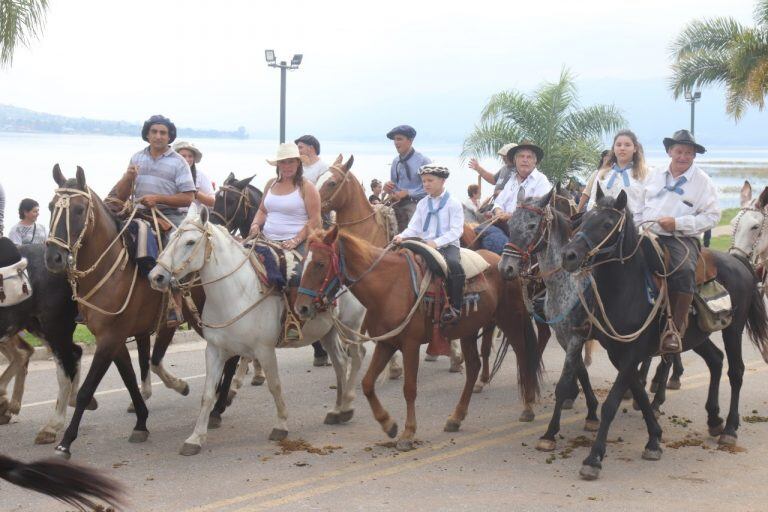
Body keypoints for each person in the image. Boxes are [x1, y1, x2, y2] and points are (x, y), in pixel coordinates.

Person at [638, 129, 719, 354]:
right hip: (645, 233)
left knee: (683, 271)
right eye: (679, 151)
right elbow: (637, 205)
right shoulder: (653, 174)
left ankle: (673, 329)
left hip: (680, 239)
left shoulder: (703, 182)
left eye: (688, 152)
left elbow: (712, 216)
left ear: (694, 155)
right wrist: (637, 227)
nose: (683, 156)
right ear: (669, 151)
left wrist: (678, 223)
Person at [248, 143, 322, 342]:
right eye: (283, 162)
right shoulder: (271, 183)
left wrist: (296, 239)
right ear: (278, 165)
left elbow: (315, 220)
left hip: (296, 241)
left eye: (291, 161)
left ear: (298, 163)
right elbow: (263, 209)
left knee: (295, 276)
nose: (287, 166)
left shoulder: (307, 187)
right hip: (267, 239)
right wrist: (256, 224)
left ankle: (293, 320)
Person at [393, 164, 465, 325]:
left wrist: (436, 242)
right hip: (425, 244)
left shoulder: (453, 203)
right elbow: (414, 228)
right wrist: (400, 236)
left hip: (447, 245)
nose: (426, 184)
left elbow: (456, 231)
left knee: (453, 265)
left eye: (430, 180)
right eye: (424, 181)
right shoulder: (423, 204)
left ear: (442, 181)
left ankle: (455, 306)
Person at [113, 115, 196, 229]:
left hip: (169, 215)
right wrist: (128, 178)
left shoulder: (179, 162)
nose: (158, 136)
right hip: (138, 213)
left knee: (176, 240)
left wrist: (157, 199)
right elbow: (121, 196)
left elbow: (188, 198)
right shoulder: (137, 158)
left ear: (169, 137)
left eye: (163, 133)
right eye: (154, 132)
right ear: (147, 135)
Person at [586, 130, 649, 220]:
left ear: (635, 148)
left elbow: (648, 203)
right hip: (603, 225)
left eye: (627, 145)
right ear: (614, 148)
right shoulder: (603, 174)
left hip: (632, 225)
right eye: (618, 145)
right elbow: (592, 200)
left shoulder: (645, 173)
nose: (622, 148)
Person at [383, 125, 431, 232]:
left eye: (399, 139)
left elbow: (431, 189)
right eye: (395, 139)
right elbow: (394, 185)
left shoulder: (423, 161)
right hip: (396, 202)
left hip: (416, 203)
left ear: (410, 140)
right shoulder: (395, 162)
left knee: (414, 229)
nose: (396, 142)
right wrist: (388, 188)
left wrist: (408, 192)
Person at [491, 141, 552, 220]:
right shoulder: (511, 181)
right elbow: (498, 203)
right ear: (515, 161)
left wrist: (510, 217)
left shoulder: (541, 180)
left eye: (529, 157)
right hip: (502, 224)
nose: (525, 160)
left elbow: (539, 210)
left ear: (535, 162)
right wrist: (498, 211)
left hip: (525, 230)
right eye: (521, 156)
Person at [173, 141, 215, 208]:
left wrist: (193, 192)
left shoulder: (200, 176)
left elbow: (212, 202)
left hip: (195, 216)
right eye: (183, 156)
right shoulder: (169, 174)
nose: (187, 159)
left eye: (190, 156)